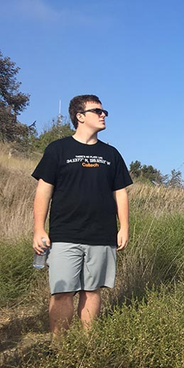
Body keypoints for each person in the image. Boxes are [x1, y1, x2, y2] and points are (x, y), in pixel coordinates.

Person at [32, 94, 132, 337]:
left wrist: (124, 227)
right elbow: (43, 192)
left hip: (102, 234)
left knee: (93, 290)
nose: (103, 114)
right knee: (62, 291)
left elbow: (120, 193)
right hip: (65, 234)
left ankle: (86, 345)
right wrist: (39, 229)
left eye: (104, 111)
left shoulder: (112, 154)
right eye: (97, 111)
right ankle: (60, 348)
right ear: (79, 116)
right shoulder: (58, 149)